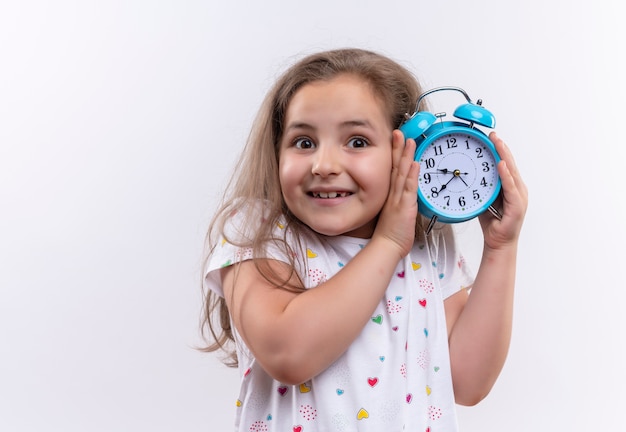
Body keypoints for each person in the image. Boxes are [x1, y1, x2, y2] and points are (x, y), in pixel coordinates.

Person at [201, 48, 528, 431]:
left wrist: (501, 249)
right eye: (304, 142)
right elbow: (288, 353)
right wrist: (388, 243)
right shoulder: (257, 233)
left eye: (356, 142)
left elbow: (468, 382)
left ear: (404, 153)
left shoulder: (428, 244)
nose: (324, 165)